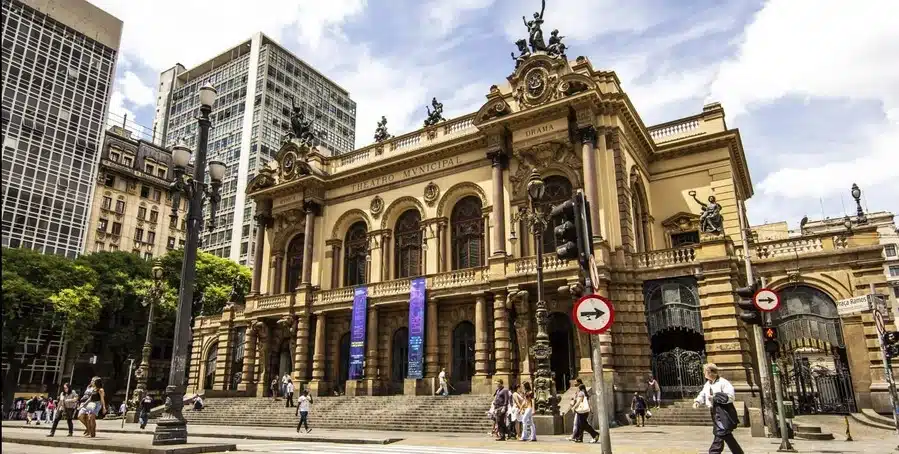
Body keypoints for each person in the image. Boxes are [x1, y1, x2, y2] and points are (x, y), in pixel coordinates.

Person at [693, 363, 744, 454]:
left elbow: (731, 397)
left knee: (720, 432)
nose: (704, 373)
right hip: (714, 411)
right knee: (725, 434)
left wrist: (716, 398)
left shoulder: (723, 383)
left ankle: (713, 452)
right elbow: (703, 394)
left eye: (705, 371)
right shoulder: (708, 384)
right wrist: (697, 401)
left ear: (710, 372)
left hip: (723, 410)